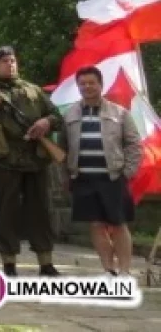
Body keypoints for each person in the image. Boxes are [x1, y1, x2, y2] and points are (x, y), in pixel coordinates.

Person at [0, 46, 64, 277]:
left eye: (13, 60)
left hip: (35, 159)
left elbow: (56, 116)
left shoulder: (34, 90)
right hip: (4, 159)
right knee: (7, 212)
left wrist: (45, 123)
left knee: (41, 211)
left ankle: (46, 262)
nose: (10, 64)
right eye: (4, 61)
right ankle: (9, 264)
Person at [63, 65, 142, 276]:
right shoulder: (69, 114)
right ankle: (109, 270)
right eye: (83, 83)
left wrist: (127, 172)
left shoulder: (120, 113)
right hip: (83, 179)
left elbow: (134, 144)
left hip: (113, 177)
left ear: (100, 85)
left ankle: (125, 272)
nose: (87, 87)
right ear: (78, 87)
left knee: (118, 225)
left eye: (92, 83)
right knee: (96, 225)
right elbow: (63, 147)